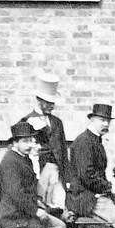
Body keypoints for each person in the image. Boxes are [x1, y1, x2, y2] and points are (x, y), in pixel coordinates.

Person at [0, 121, 68, 228]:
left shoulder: (22, 158)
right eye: (24, 141)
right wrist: (36, 211)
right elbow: (16, 194)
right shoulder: (10, 162)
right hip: (12, 217)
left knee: (59, 217)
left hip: (20, 213)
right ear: (14, 143)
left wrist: (40, 204)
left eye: (31, 140)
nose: (29, 144)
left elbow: (28, 190)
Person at [22, 73, 69, 216]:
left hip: (58, 176)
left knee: (59, 209)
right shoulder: (26, 122)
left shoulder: (57, 123)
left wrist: (67, 178)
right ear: (39, 100)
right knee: (43, 210)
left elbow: (63, 152)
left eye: (53, 103)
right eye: (48, 103)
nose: (51, 106)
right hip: (40, 176)